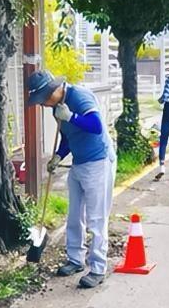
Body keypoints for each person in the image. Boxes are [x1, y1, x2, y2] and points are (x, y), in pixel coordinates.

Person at [26, 70, 116, 289]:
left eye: (44, 100)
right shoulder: (57, 109)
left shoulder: (80, 97)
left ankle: (97, 268)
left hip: (98, 162)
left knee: (96, 219)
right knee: (75, 215)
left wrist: (72, 116)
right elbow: (67, 136)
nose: (44, 105)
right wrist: (58, 155)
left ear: (55, 90)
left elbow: (95, 127)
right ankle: (75, 259)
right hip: (78, 162)